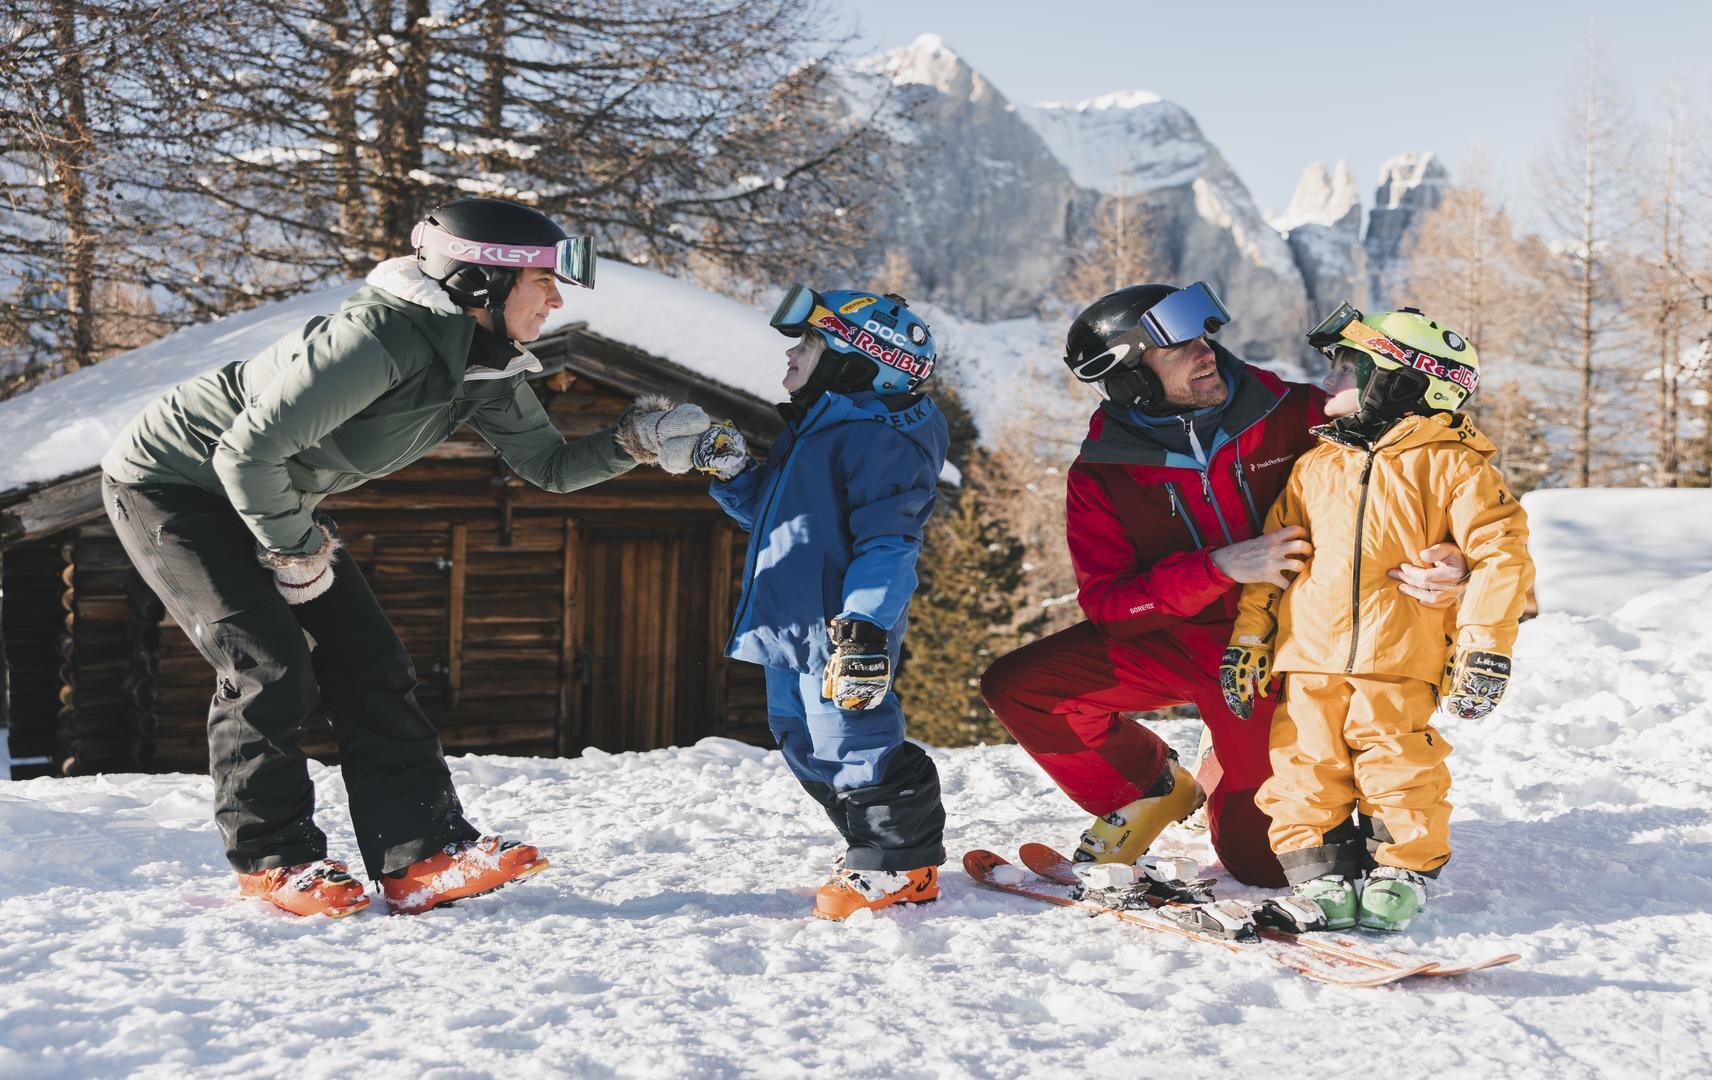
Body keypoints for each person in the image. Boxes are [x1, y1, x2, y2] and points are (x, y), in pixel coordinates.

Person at [99, 197, 713, 917]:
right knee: (267, 662)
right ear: (480, 284)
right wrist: (295, 553)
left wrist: (633, 442)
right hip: (173, 484)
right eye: (542, 280)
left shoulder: (483, 365)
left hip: (272, 492)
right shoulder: (378, 340)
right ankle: (275, 863)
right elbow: (246, 451)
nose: (556, 297)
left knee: (372, 664)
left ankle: (420, 855)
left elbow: (547, 466)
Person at [979, 282, 1469, 887]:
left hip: (1283, 650)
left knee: (1263, 865)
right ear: (1131, 377)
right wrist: (1218, 568)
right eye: (1178, 348)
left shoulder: (1297, 412)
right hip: (1180, 643)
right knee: (1021, 687)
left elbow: (1426, 473)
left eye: (1202, 338)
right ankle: (1151, 786)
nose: (1205, 352)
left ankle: (1229, 765)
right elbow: (1110, 606)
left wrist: (1454, 556)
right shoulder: (1102, 472)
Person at [1223, 304, 1533, 931]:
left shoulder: (1453, 465)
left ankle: (1401, 868)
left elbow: (1501, 556)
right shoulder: (1315, 466)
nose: (1331, 378)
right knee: (1305, 766)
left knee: (1398, 763)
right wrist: (1250, 636)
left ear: (1405, 381)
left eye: (1349, 366)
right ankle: (1320, 878)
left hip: (1398, 656)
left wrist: (1484, 649)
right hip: (1309, 657)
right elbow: (1275, 561)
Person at [673, 284, 949, 920]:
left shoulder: (878, 441)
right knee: (799, 735)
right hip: (791, 621)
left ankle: (903, 864)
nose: (791, 357)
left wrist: (865, 628)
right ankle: (868, 847)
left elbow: (889, 545)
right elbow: (781, 521)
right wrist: (735, 473)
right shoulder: (819, 430)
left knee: (851, 738)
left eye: (808, 345)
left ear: (858, 361)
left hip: (839, 628)